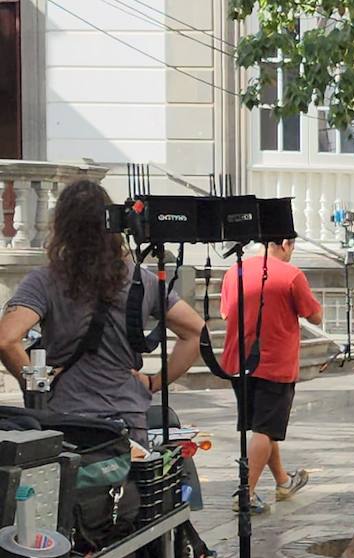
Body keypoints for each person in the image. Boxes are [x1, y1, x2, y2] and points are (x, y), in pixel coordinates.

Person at [0, 179, 206, 444]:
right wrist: (155, 382)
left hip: (66, 418)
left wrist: (39, 385)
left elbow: (7, 339)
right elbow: (196, 332)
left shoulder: (44, 281)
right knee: (128, 483)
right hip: (126, 418)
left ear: (60, 226)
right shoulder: (141, 281)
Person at [219, 234, 322, 515]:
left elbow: (227, 313)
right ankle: (246, 494)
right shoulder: (291, 275)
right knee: (265, 430)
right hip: (274, 363)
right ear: (285, 244)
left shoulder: (234, 271)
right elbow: (315, 316)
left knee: (262, 427)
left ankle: (283, 481)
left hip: (238, 361)